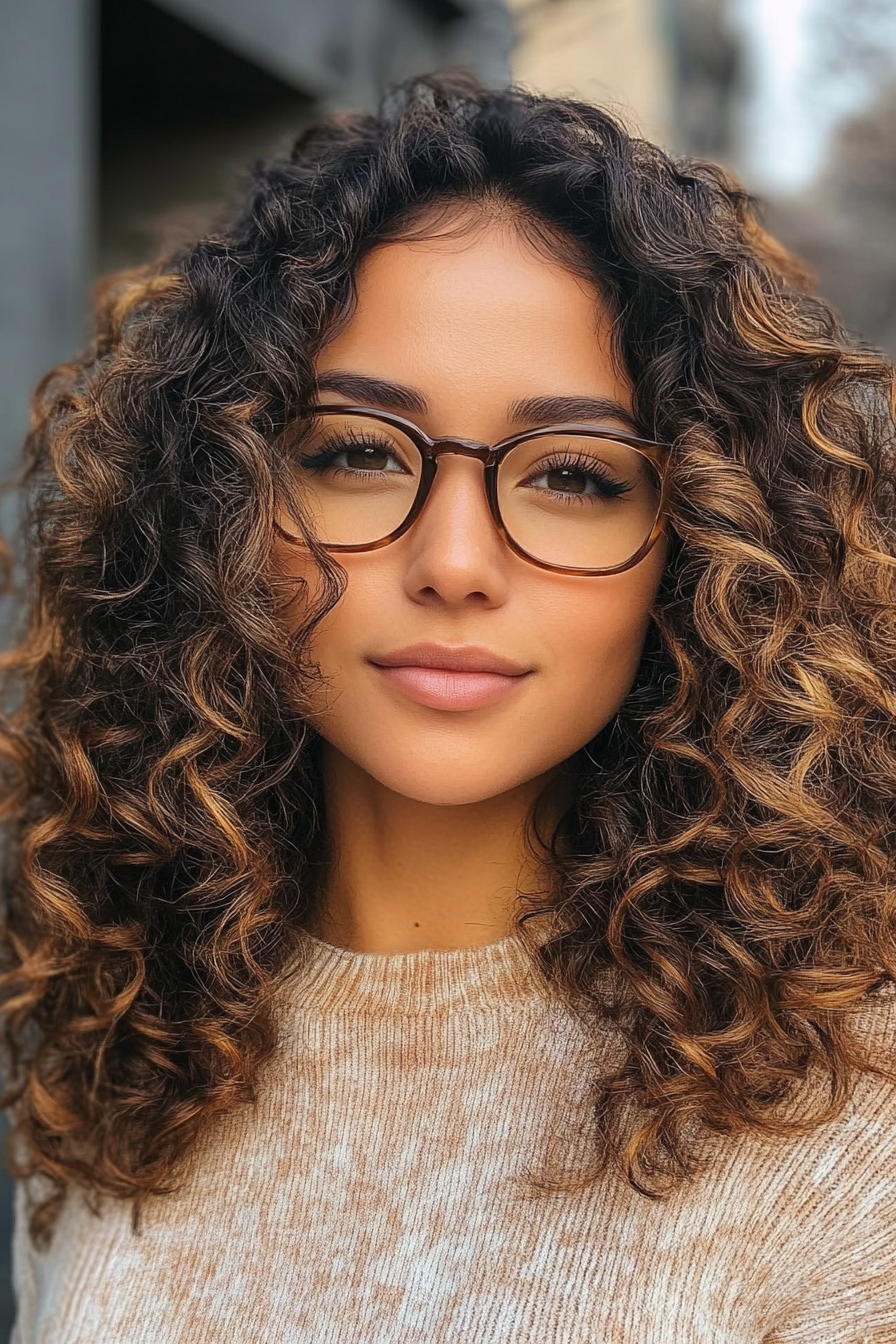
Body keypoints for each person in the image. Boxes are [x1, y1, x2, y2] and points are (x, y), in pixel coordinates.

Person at [1, 72, 896, 1343]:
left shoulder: (852, 1118)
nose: (456, 560)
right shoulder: (128, 1047)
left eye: (574, 476)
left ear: (693, 548)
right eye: (359, 452)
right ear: (223, 510)